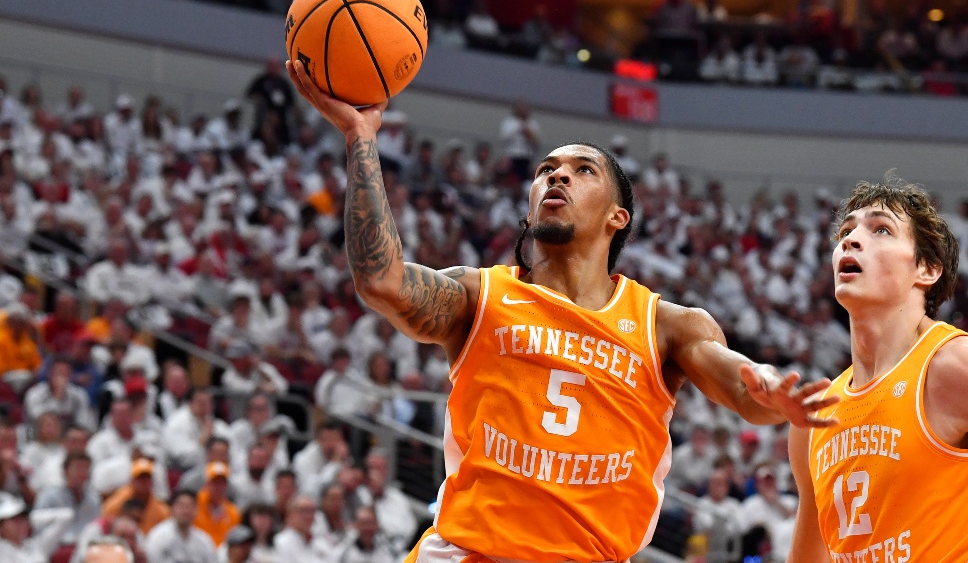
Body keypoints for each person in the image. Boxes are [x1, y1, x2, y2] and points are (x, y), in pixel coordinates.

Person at [287, 60, 834, 562]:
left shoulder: (664, 325)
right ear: (529, 207)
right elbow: (380, 281)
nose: (557, 175)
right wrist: (361, 139)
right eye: (546, 169)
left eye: (583, 170)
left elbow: (743, 390)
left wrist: (767, 387)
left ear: (618, 217)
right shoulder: (480, 296)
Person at [786, 175, 968, 563]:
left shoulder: (958, 367)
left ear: (926, 269)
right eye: (846, 231)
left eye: (881, 229)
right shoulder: (814, 417)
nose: (851, 240)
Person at [144, 490, 217, 563]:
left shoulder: (204, 541)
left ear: (196, 510)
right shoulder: (158, 536)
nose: (186, 511)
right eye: (181, 506)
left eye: (189, 506)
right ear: (172, 508)